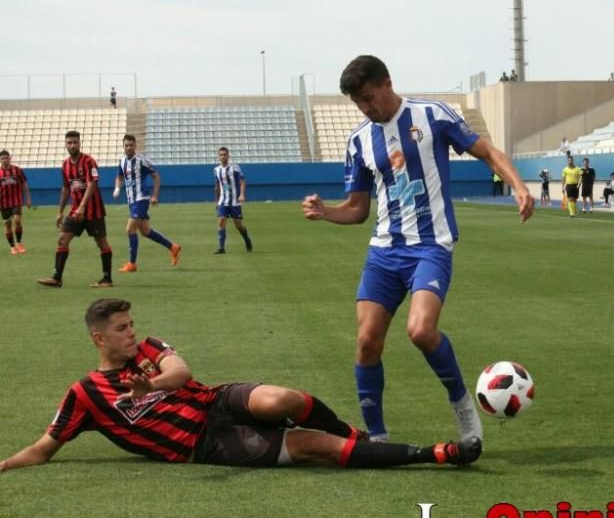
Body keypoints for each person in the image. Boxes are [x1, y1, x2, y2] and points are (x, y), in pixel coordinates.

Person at [301, 55, 533, 443]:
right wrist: (326, 212)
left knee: (421, 330)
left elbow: (488, 152)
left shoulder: (432, 115)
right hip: (383, 252)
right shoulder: (359, 140)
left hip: (430, 246)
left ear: (387, 84)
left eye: (369, 98)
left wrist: (520, 187)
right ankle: (376, 437)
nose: (365, 108)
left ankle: (462, 408)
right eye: (358, 102)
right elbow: (358, 210)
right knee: (366, 340)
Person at [0, 299, 481, 473]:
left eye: (131, 325)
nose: (132, 333)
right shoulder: (85, 395)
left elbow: (182, 373)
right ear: (98, 338)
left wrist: (151, 387)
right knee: (314, 447)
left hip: (214, 399)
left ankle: (355, 436)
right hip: (203, 443)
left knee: (284, 400)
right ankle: (429, 454)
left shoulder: (148, 348)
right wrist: (5, 464)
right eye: (122, 329)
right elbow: (44, 448)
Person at [37, 131, 114, 288]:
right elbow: (66, 188)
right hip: (75, 211)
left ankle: (107, 279)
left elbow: (92, 183)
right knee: (62, 239)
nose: (72, 145)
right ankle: (57, 278)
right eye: (69, 142)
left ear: (80, 143)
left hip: (94, 211)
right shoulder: (65, 165)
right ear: (65, 144)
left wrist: (83, 206)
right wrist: (60, 211)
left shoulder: (89, 162)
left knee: (102, 243)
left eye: (75, 142)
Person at [112, 135, 181, 272]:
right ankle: (173, 247)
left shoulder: (141, 160)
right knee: (145, 231)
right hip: (132, 201)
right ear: (123, 146)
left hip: (141, 198)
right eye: (126, 145)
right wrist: (117, 188)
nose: (129, 148)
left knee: (130, 229)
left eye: (131, 145)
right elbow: (119, 177)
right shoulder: (122, 161)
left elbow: (156, 176)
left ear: (135, 145)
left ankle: (132, 264)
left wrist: (154, 196)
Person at [213, 147, 252, 254]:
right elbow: (217, 186)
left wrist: (242, 195)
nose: (223, 156)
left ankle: (246, 239)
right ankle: (221, 248)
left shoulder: (235, 168)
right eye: (221, 155)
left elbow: (242, 181)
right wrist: (217, 201)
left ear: (228, 155)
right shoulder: (216, 170)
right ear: (218, 156)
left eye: (225, 154)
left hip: (235, 201)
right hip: (223, 201)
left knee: (238, 225)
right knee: (221, 221)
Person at [0, 149, 32, 255]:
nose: (4, 160)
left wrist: (28, 198)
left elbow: (24, 183)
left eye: (6, 158)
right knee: (8, 224)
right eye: (2, 158)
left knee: (17, 221)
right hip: (3, 203)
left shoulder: (17, 170)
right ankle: (13, 247)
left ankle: (19, 243)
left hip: (16, 200)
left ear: (10, 158)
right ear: (0, 160)